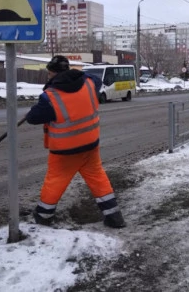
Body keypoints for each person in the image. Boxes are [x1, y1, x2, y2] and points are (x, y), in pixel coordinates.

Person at [26, 55, 126, 229]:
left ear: (53, 73)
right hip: (90, 145)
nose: (48, 77)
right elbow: (94, 79)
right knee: (98, 178)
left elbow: (33, 117)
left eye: (49, 74)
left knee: (55, 181)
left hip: (65, 151)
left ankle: (43, 217)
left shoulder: (51, 96)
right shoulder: (88, 83)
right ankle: (114, 217)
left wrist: (45, 94)